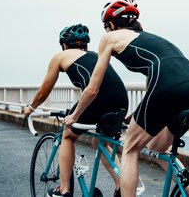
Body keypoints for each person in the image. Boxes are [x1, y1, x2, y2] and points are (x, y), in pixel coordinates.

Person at [64, 0, 189, 196]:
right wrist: (134, 116)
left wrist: (75, 115)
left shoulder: (109, 38)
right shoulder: (151, 38)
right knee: (160, 149)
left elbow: (93, 88)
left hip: (167, 86)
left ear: (111, 24)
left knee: (130, 149)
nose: (105, 31)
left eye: (106, 26)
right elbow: (154, 82)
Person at [23, 24, 128, 197]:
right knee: (102, 142)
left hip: (97, 97)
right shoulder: (95, 55)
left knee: (68, 135)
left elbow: (44, 91)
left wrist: (31, 107)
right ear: (85, 45)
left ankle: (64, 189)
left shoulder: (60, 56)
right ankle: (121, 186)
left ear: (64, 44)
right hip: (121, 97)